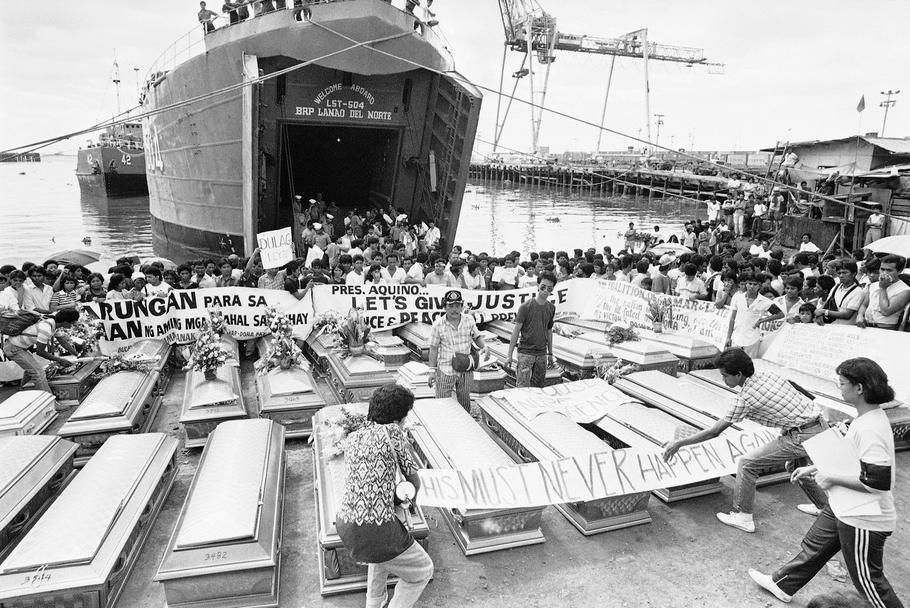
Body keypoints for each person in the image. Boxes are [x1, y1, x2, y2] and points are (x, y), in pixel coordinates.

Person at [748, 358, 904, 608]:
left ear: (859, 388)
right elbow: (852, 461)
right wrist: (815, 467)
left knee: (870, 583)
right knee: (816, 545)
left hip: (865, 518)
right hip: (846, 505)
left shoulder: (871, 428)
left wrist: (830, 478)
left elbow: (877, 481)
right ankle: (782, 584)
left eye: (842, 383)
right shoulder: (865, 418)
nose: (839, 388)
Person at [663, 348, 829, 533]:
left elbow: (714, 431)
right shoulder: (767, 375)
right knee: (794, 468)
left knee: (747, 464)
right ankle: (825, 508)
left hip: (801, 435)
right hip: (818, 424)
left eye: (725, 376)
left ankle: (744, 516)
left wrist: (679, 443)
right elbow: (797, 389)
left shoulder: (745, 398)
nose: (723, 380)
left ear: (739, 374)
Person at [335, 384, 433, 608]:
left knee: (380, 555)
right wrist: (412, 500)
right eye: (405, 416)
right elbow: (412, 477)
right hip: (377, 528)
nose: (405, 422)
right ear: (398, 417)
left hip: (346, 524)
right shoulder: (393, 432)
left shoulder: (353, 438)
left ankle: (374, 603)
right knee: (422, 570)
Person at [428, 290, 487, 411]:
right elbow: (433, 348)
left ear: (462, 306)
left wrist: (485, 346)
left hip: (466, 368)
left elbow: (476, 337)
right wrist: (431, 371)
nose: (454, 309)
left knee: (465, 402)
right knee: (442, 403)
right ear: (444, 307)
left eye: (457, 306)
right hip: (446, 370)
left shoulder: (469, 320)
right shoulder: (438, 325)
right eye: (450, 306)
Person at [3, 309, 80, 397]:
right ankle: (51, 404)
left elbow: (63, 342)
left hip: (18, 347)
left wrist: (77, 355)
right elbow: (40, 352)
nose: (73, 325)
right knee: (38, 373)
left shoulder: (53, 324)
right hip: (14, 348)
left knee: (31, 369)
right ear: (66, 322)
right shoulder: (46, 328)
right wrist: (60, 360)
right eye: (73, 323)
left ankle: (24, 392)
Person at [507, 271, 557, 388]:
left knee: (538, 388)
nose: (545, 291)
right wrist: (509, 355)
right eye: (543, 287)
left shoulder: (551, 308)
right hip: (525, 353)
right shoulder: (526, 307)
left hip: (541, 353)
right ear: (537, 285)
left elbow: (549, 331)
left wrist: (550, 353)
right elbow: (516, 331)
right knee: (522, 387)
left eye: (549, 289)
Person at [729, 271, 782, 356]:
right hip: (736, 337)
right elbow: (732, 318)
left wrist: (761, 320)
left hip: (752, 339)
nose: (752, 286)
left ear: (760, 286)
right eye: (750, 283)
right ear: (746, 284)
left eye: (755, 284)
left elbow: (780, 314)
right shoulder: (737, 297)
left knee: (750, 364)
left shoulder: (765, 301)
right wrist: (729, 337)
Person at [857, 254, 910, 330]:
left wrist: (883, 288)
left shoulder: (905, 290)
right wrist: (860, 315)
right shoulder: (873, 285)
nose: (884, 273)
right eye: (882, 269)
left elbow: (886, 311)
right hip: (866, 326)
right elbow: (864, 305)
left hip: (885, 329)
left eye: (889, 270)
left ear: (899, 271)